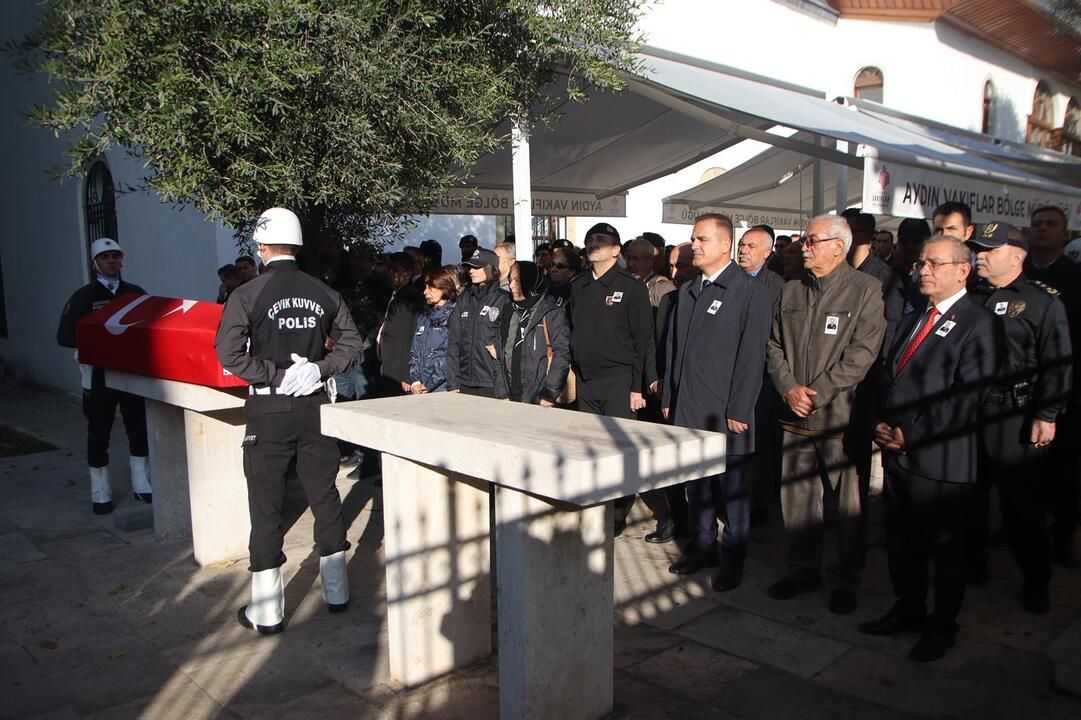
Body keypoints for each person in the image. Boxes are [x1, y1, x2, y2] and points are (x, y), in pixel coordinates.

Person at [214, 207, 363, 635]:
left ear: (261, 246)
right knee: (324, 495)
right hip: (314, 406)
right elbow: (354, 344)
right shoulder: (323, 291)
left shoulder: (247, 293)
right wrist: (318, 368)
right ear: (297, 245)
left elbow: (228, 353)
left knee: (266, 504)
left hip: (270, 408)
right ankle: (337, 592)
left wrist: (276, 375)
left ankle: (268, 611)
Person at [862, 235, 999, 662]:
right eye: (921, 263)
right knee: (903, 542)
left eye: (935, 264)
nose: (924, 270)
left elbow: (969, 394)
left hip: (940, 459)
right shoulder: (913, 318)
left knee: (945, 549)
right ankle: (908, 607)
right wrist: (881, 423)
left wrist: (912, 434)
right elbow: (888, 377)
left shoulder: (978, 322)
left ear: (963, 270)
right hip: (897, 451)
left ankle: (942, 625)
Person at [766, 214, 886, 614]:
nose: (803, 246)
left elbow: (863, 355)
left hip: (840, 421)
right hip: (795, 419)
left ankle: (846, 579)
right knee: (798, 504)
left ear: (838, 246)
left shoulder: (866, 290)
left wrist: (816, 394)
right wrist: (788, 388)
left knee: (848, 508)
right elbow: (773, 346)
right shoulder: (791, 289)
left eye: (811, 240)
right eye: (804, 239)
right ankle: (802, 571)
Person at [965, 223, 1072, 610]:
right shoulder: (970, 296)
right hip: (970, 413)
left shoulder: (1042, 302)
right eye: (978, 249)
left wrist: (1047, 412)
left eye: (989, 250)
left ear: (1016, 256)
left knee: (1021, 506)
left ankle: (1036, 580)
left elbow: (1057, 362)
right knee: (968, 497)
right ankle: (974, 565)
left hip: (1014, 415)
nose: (980, 256)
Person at [664, 215, 773, 590]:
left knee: (733, 492)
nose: (694, 246)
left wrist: (739, 408)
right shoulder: (689, 290)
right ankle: (703, 547)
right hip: (690, 407)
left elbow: (752, 356)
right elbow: (675, 350)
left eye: (702, 239)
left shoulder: (750, 291)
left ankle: (734, 558)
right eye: (693, 239)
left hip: (727, 412)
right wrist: (670, 397)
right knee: (697, 487)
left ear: (726, 245)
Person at [568, 222, 654, 535]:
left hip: (618, 380)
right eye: (590, 238)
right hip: (586, 380)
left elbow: (643, 340)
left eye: (601, 239)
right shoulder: (579, 285)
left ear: (616, 250)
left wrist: (637, 387)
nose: (593, 243)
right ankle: (596, 505)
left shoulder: (630, 286)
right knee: (591, 446)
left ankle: (617, 512)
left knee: (619, 449)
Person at [57, 237, 152, 514]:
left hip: (131, 373)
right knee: (99, 432)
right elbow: (65, 336)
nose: (112, 262)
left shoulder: (135, 292)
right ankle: (100, 491)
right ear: (95, 262)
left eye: (116, 257)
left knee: (138, 428)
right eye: (105, 257)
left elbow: (150, 325)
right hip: (100, 375)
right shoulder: (84, 296)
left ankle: (142, 483)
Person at [1025, 205, 1081, 567]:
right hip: (1023, 391)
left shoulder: (1075, 278)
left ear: (1065, 233)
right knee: (1026, 474)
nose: (1042, 229)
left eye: (1050, 224)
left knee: (1064, 472)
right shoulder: (1021, 275)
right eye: (1037, 224)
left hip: (1067, 390)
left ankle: (1062, 536)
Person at [625, 236, 681, 543]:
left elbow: (657, 341)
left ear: (652, 260)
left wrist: (655, 378)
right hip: (634, 375)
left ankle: (671, 516)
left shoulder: (662, 289)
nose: (632, 263)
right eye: (629, 258)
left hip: (655, 381)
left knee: (660, 454)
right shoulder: (627, 285)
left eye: (638, 258)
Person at [737, 226, 785, 527]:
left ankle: (759, 504)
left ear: (767, 253)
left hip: (762, 375)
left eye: (751, 246)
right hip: (734, 373)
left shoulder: (775, 285)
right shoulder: (732, 279)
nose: (743, 250)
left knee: (761, 444)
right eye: (742, 244)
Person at [500, 261, 571, 404]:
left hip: (538, 397)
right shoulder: (509, 310)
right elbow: (501, 353)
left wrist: (549, 393)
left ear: (531, 282)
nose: (511, 286)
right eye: (510, 280)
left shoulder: (551, 312)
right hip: (510, 395)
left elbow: (562, 353)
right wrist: (502, 392)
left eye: (517, 280)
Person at [447, 248, 511, 398]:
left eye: (477, 267)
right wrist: (453, 381)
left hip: (492, 382)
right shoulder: (464, 298)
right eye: (470, 267)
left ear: (491, 269)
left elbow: (510, 340)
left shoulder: (504, 299)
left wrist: (499, 350)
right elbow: (454, 341)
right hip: (464, 381)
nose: (471, 271)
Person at [377, 252, 426, 396]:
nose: (391, 274)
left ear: (408, 273)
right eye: (389, 269)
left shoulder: (413, 299)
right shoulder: (389, 294)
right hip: (385, 364)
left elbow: (412, 337)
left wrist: (407, 374)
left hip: (400, 370)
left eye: (395, 270)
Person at [409, 266, 460, 395]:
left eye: (430, 288)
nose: (425, 292)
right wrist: (415, 381)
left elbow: (451, 355)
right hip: (420, 388)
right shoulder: (424, 317)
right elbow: (415, 351)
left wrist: (429, 384)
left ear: (444, 288)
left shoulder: (456, 316)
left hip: (444, 388)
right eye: (425, 287)